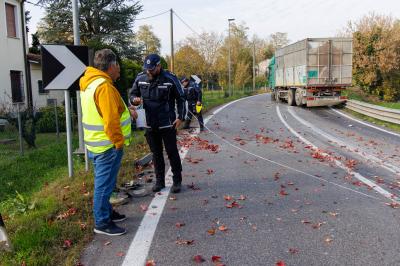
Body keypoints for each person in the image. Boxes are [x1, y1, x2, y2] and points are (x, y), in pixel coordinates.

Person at [80, 49, 137, 236]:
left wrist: (127, 110)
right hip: (107, 146)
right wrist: (118, 143)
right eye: (118, 65)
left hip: (96, 144)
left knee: (107, 183)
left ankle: (107, 213)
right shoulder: (104, 87)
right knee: (104, 186)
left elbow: (109, 110)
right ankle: (102, 223)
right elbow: (110, 120)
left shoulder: (91, 83)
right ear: (111, 66)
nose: (119, 69)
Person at [130, 54, 185, 194]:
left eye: (152, 69)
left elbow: (181, 98)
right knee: (156, 153)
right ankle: (159, 181)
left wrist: (181, 117)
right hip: (149, 123)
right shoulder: (140, 78)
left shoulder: (170, 78)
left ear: (159, 66)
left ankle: (177, 180)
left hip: (167, 122)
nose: (149, 72)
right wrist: (134, 100)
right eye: (147, 69)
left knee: (172, 152)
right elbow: (132, 95)